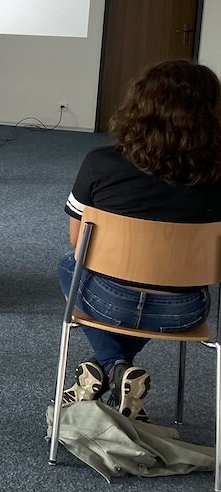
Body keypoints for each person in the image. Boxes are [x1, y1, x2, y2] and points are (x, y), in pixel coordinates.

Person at [59, 60, 221, 423]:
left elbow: (78, 242)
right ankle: (117, 370)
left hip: (108, 301)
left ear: (139, 107)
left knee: (68, 265)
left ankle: (112, 367)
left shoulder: (100, 163)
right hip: (183, 311)